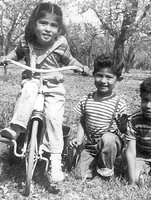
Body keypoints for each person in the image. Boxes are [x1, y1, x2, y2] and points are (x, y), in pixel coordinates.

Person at [0, 2, 90, 182]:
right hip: (32, 80)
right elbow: (16, 54)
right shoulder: (26, 42)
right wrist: (6, 58)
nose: (48, 29)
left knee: (54, 117)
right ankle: (16, 129)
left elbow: (69, 59)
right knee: (29, 88)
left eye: (53, 25)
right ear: (34, 24)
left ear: (59, 29)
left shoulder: (61, 45)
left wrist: (80, 67)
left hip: (54, 86)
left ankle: (55, 160)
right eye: (43, 23)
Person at [69, 53, 127, 184]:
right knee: (80, 175)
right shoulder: (87, 99)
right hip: (91, 145)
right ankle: (95, 164)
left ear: (119, 79)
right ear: (94, 75)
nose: (103, 81)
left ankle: (104, 174)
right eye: (99, 75)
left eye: (109, 77)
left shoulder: (119, 103)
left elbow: (124, 130)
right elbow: (83, 121)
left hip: (110, 144)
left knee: (109, 138)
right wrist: (79, 138)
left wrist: (123, 125)